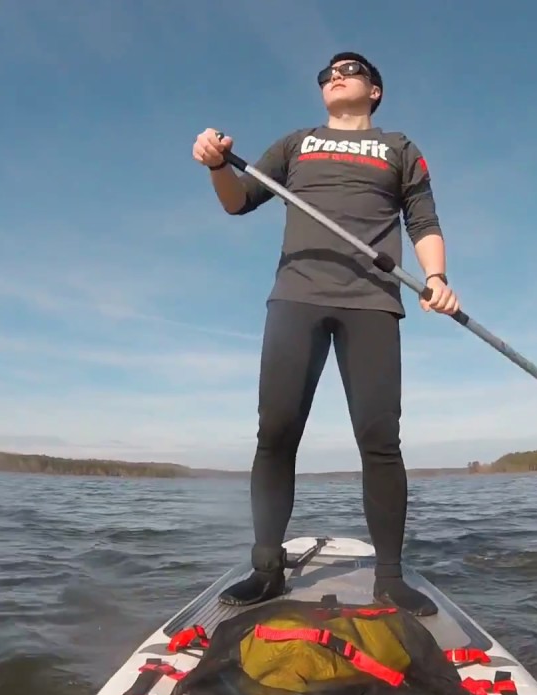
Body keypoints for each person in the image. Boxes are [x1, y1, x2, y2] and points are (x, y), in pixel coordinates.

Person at [190, 51, 459, 617]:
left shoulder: (399, 148)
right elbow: (239, 202)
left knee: (380, 440)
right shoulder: (295, 144)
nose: (335, 76)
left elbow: (424, 220)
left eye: (349, 69)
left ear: (375, 90)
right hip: (296, 297)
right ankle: (267, 570)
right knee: (277, 431)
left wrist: (434, 277)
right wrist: (217, 165)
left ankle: (389, 577)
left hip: (372, 302)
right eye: (326, 74)